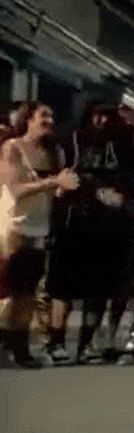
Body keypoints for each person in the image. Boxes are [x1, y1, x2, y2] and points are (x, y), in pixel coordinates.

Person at [44, 102, 134, 364]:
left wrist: (122, 194)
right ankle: (56, 342)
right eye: (96, 115)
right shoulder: (72, 140)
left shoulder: (124, 146)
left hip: (106, 225)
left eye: (107, 116)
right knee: (62, 289)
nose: (101, 121)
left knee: (98, 290)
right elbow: (62, 177)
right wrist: (93, 191)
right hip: (72, 221)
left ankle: (86, 344)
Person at [0, 103, 80, 368]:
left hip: (41, 229)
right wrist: (52, 182)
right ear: (28, 119)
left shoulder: (53, 151)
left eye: (52, 115)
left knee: (27, 294)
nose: (49, 120)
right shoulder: (13, 148)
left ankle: (19, 349)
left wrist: (62, 188)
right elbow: (14, 189)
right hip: (13, 229)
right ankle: (10, 345)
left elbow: (54, 191)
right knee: (9, 293)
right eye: (43, 115)